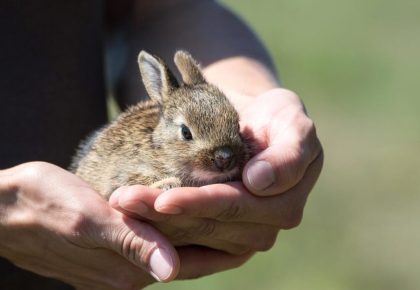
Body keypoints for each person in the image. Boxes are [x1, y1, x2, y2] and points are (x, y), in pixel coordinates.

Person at [0, 1, 323, 289]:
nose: (224, 156)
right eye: (188, 135)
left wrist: (252, 96)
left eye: (233, 130)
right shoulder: (146, 161)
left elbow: (161, 9)